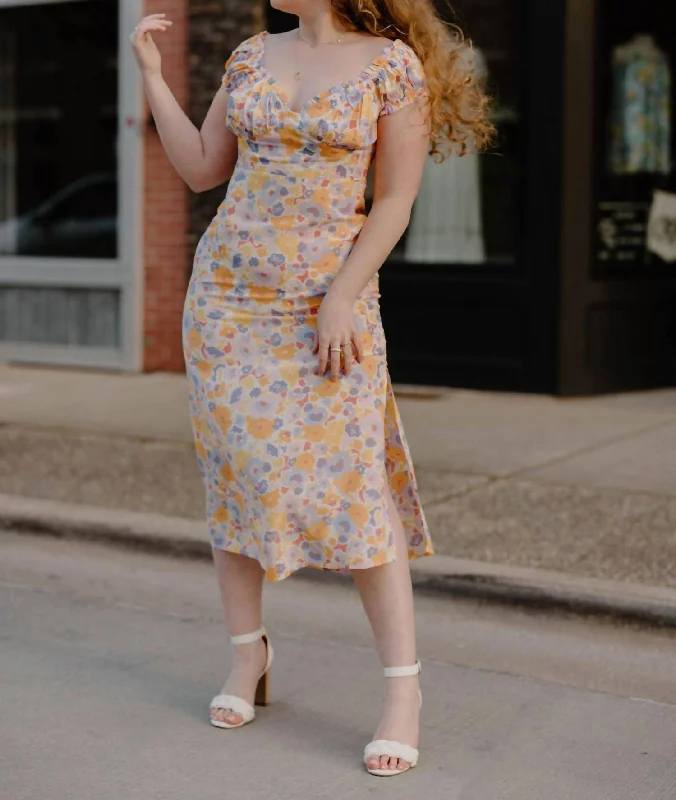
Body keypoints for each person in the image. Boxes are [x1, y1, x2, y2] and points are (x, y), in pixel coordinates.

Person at [130, 0, 492, 778]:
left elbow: (394, 198)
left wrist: (341, 295)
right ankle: (246, 656)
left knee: (357, 489)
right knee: (235, 478)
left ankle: (402, 691)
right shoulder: (251, 56)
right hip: (228, 298)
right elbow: (200, 168)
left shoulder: (391, 65)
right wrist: (154, 80)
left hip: (330, 302)